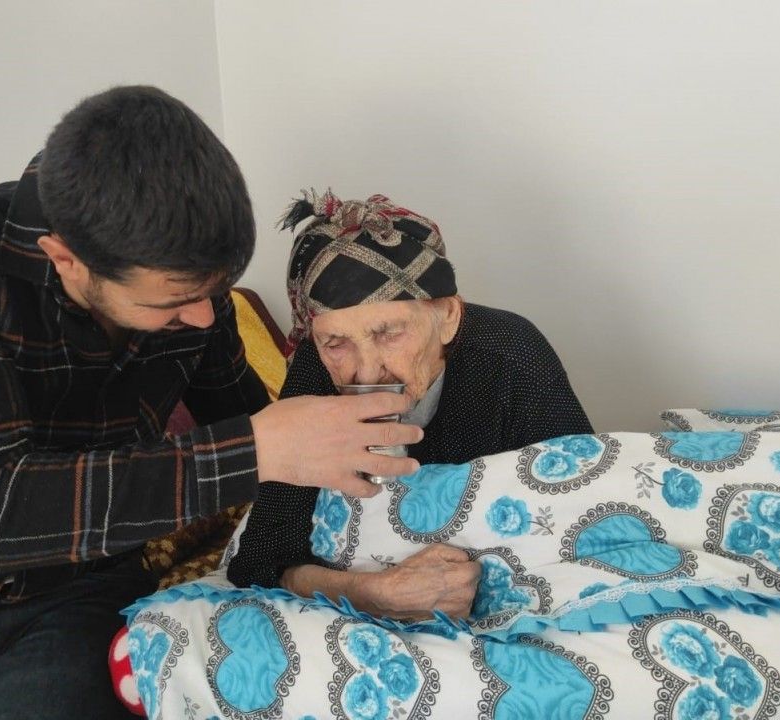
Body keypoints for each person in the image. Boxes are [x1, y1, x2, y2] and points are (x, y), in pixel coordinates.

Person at [0, 87, 422, 720]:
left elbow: (257, 430)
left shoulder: (194, 294)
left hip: (76, 607)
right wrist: (255, 450)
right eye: (173, 301)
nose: (204, 318)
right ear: (66, 260)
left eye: (216, 291)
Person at [226, 191, 594, 620]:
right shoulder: (315, 369)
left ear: (448, 317)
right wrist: (374, 594)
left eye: (389, 334)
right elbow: (260, 558)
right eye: (336, 343)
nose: (367, 372)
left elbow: (583, 517)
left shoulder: (512, 355)